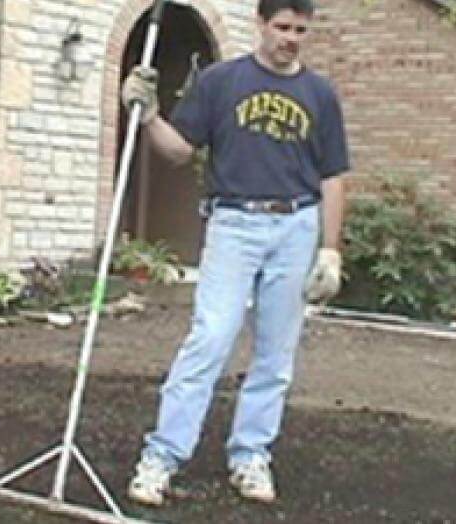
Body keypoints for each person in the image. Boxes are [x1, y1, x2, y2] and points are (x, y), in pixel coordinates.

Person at [120, 0, 349, 506]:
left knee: (276, 353)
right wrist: (149, 115)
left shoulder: (319, 94)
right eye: (282, 27)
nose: (291, 38)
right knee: (209, 339)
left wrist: (330, 250)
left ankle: (250, 456)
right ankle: (161, 457)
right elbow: (180, 150)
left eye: (300, 30)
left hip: (296, 225)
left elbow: (333, 175)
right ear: (260, 24)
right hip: (233, 223)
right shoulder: (221, 82)